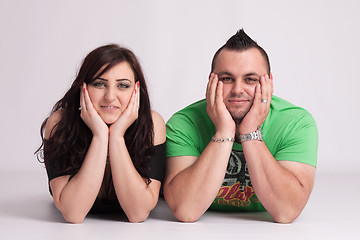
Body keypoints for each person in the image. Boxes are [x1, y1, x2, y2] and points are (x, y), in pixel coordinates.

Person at [164, 29, 318, 223]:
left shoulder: (297, 123)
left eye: (250, 80)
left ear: (269, 83)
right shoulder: (184, 123)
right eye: (227, 79)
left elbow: (286, 211)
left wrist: (250, 131)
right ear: (211, 81)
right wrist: (224, 131)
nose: (237, 90)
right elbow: (186, 210)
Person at [35, 44, 166, 223]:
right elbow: (73, 213)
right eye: (99, 84)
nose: (110, 96)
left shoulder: (152, 123)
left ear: (136, 91)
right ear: (84, 87)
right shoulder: (61, 122)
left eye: (123, 85)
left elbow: (138, 213)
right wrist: (100, 135)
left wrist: (117, 136)